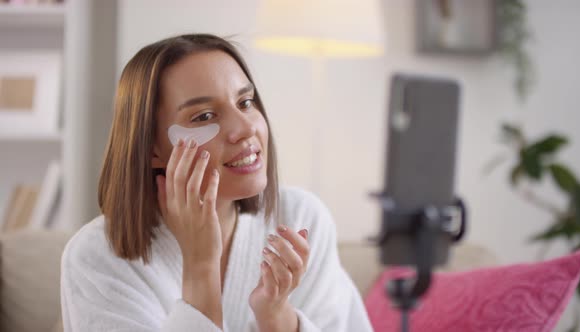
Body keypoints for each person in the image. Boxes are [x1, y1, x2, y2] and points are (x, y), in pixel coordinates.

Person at [60, 34, 373, 332]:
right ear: (151, 149)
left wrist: (277, 315)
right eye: (204, 116)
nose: (245, 128)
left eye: (246, 102)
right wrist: (200, 268)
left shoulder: (301, 218)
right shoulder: (97, 257)